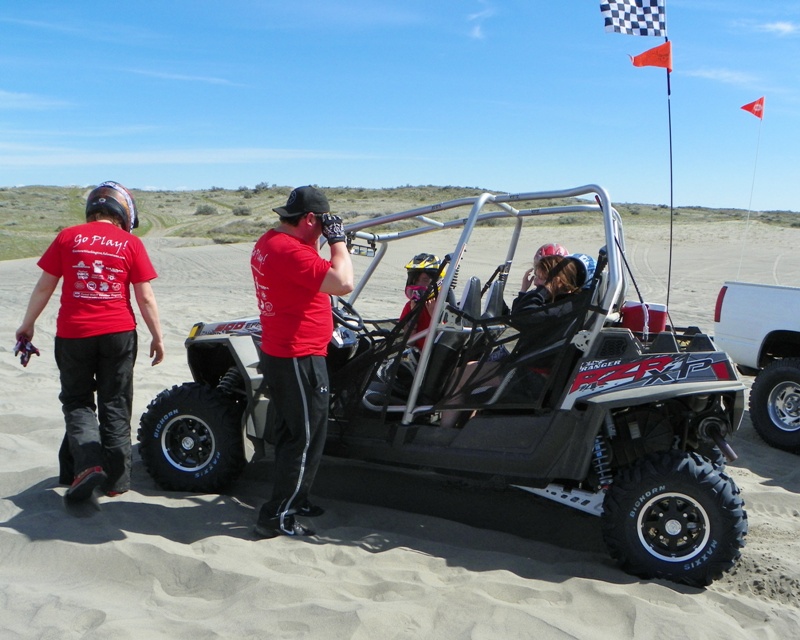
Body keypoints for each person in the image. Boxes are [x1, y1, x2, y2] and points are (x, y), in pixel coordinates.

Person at [15, 181, 164, 501]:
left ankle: (82, 468)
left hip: (73, 335)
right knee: (116, 404)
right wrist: (157, 336)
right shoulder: (129, 243)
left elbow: (44, 287)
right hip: (118, 334)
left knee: (77, 402)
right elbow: (145, 297)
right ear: (122, 212)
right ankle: (116, 481)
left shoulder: (67, 237)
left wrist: (27, 325)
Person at [250, 186, 353, 539]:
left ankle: (298, 496)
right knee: (303, 438)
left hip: (286, 350)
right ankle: (276, 514)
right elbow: (343, 282)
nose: (325, 228)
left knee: (298, 431)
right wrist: (338, 241)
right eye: (321, 222)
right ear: (310, 219)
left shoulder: (270, 241)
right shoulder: (290, 251)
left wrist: (321, 238)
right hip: (298, 354)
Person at [439, 254, 583, 428]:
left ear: (556, 281)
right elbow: (520, 317)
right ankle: (461, 430)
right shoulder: (567, 304)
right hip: (528, 370)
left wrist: (541, 291)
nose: (536, 284)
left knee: (460, 377)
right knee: (468, 371)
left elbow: (523, 317)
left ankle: (444, 431)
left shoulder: (561, 308)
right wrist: (525, 291)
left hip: (530, 378)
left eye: (540, 278)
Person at [399, 253, 442, 351]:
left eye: (425, 280)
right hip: (417, 355)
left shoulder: (444, 306)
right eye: (416, 280)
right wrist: (413, 316)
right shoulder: (410, 306)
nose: (418, 284)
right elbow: (409, 342)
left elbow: (446, 342)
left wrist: (434, 316)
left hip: (435, 356)